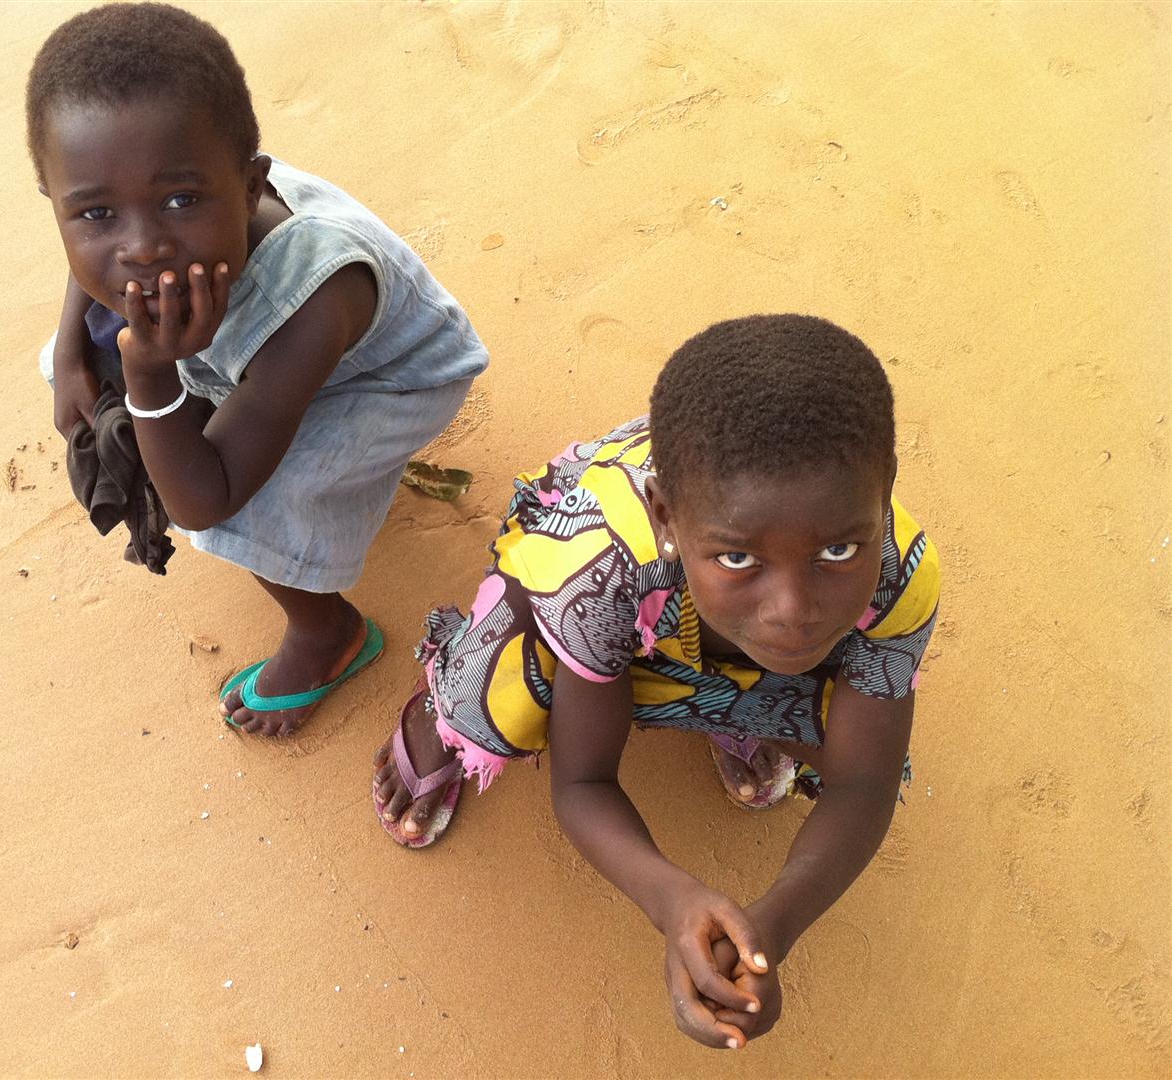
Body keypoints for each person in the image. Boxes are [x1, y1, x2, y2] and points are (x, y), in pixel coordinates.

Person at [372, 315, 940, 1050]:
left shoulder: (900, 572)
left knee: (853, 728)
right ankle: (443, 703)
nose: (793, 610)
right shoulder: (598, 569)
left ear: (885, 488)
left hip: (681, 609)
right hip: (599, 588)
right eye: (738, 558)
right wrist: (671, 901)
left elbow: (863, 785)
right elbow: (581, 784)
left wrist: (772, 926)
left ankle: (729, 703)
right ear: (668, 515)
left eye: (837, 548)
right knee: (504, 685)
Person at [26, 3, 488, 735]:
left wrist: (147, 373)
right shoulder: (160, 206)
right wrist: (74, 352)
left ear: (248, 186)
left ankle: (327, 635)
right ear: (57, 203)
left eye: (180, 200)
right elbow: (92, 270)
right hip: (249, 361)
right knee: (73, 360)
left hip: (380, 381)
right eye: (96, 214)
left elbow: (204, 502)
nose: (142, 248)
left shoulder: (316, 296)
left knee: (248, 502)